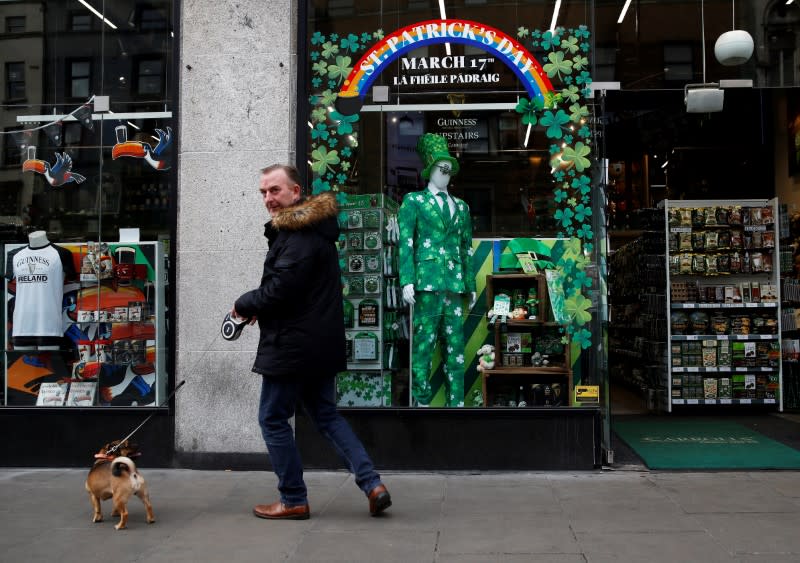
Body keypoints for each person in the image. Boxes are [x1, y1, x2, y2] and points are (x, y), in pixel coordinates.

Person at [233, 164, 390, 520]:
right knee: (326, 415)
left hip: (293, 346)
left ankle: (292, 499)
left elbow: (281, 291)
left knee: (272, 418)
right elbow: (296, 292)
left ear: (296, 192)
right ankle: (372, 484)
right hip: (319, 343)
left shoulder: (299, 235)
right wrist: (264, 305)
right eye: (263, 192)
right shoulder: (312, 231)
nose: (268, 199)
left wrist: (245, 303)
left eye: (275, 190)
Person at [398, 134, 476, 407]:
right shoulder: (414, 202)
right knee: (423, 346)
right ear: (429, 170)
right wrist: (406, 280)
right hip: (426, 283)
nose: (446, 174)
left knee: (455, 349)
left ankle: (457, 404)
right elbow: (406, 243)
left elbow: (466, 247)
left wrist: (471, 283)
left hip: (454, 285)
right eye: (441, 168)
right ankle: (420, 403)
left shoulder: (462, 207)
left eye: (449, 169)